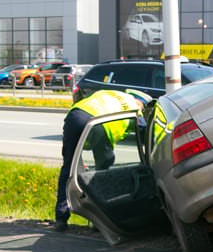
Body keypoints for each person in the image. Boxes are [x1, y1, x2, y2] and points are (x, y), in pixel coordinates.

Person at [54, 88, 152, 231]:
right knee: (102, 173)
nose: (142, 111)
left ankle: (61, 218)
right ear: (139, 102)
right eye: (143, 107)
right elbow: (145, 134)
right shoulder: (134, 107)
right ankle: (99, 220)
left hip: (75, 116)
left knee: (68, 167)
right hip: (99, 126)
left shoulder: (110, 93)